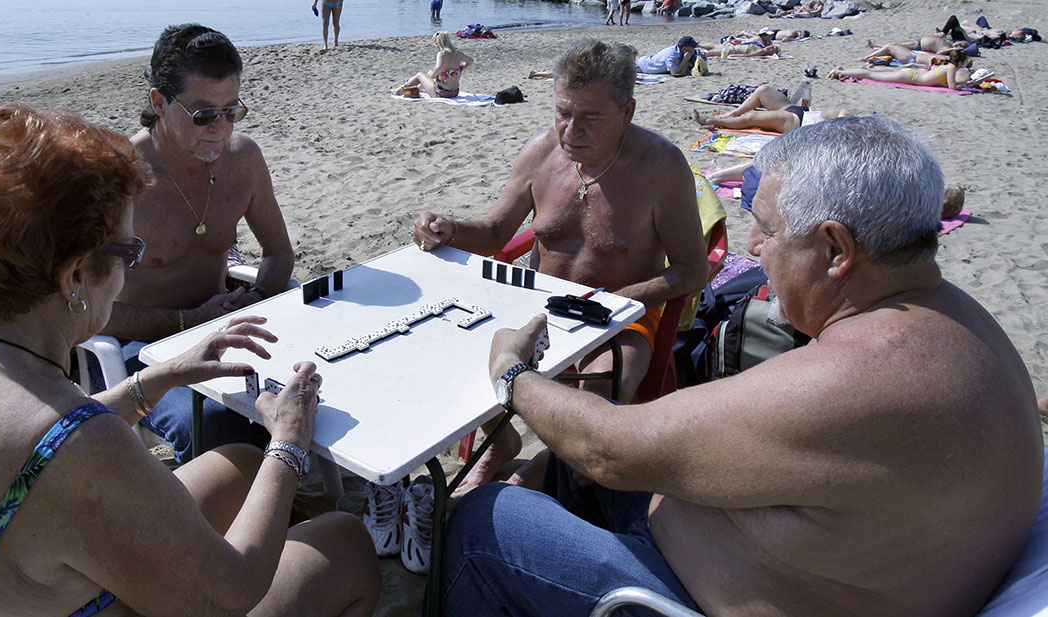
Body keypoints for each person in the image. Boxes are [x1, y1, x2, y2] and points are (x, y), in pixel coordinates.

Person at [440, 115, 1043, 617]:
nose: (754, 246)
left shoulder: (862, 373)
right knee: (567, 468)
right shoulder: (962, 323)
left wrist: (513, 376)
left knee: (484, 521)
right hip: (821, 557)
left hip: (689, 598)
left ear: (835, 250)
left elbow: (609, 449)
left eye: (768, 228)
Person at [0, 103, 380, 617]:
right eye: (128, 254)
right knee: (346, 543)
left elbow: (28, 449)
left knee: (240, 466)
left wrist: (155, 379)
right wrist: (288, 441)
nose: (129, 272)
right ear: (73, 279)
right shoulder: (86, 447)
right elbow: (236, 588)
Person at [412, 39, 707, 486]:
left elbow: (692, 269)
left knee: (594, 412)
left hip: (620, 317)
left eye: (590, 117)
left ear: (627, 113)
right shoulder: (541, 153)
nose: (571, 130)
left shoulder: (660, 167)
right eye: (563, 113)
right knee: (448, 346)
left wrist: (622, 301)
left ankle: (524, 484)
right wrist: (448, 228)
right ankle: (503, 441)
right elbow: (494, 234)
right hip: (539, 305)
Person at [99, 24, 296, 463]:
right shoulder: (121, 181)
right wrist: (186, 320)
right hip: (139, 349)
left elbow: (279, 253)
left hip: (226, 327)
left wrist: (257, 296)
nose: (220, 129)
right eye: (204, 114)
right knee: (213, 424)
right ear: (158, 102)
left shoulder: (242, 159)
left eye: (232, 111)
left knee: (315, 377)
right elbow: (88, 311)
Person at [693, 84, 851, 133]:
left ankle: (713, 121)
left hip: (797, 122)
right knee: (764, 90)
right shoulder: (846, 118)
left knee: (753, 117)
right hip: (798, 109)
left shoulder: (841, 130)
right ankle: (733, 113)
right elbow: (845, 114)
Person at [830, 48, 973, 90]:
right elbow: (953, 87)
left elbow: (949, 84)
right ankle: (840, 72)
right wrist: (967, 85)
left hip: (913, 75)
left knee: (874, 73)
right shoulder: (952, 69)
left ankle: (843, 70)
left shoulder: (948, 66)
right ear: (960, 61)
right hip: (911, 77)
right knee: (870, 75)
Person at [393, 31, 474, 99]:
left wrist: (434, 76)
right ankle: (417, 89)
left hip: (442, 93)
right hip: (455, 92)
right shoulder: (458, 54)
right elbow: (470, 61)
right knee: (429, 72)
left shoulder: (442, 54)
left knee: (420, 75)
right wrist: (460, 69)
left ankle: (398, 91)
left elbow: (438, 68)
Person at [635, 36, 706, 77]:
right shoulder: (672, 54)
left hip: (650, 59)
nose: (693, 49)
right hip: (645, 66)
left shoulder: (685, 51)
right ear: (685, 48)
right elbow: (674, 72)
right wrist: (685, 59)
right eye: (692, 47)